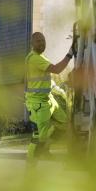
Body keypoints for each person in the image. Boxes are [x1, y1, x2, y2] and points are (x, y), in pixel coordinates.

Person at [25, 31, 74, 162]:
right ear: (32, 43)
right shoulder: (34, 58)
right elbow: (56, 69)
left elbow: (45, 80)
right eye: (38, 41)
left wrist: (59, 90)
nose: (42, 43)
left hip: (48, 99)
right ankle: (31, 164)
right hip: (38, 104)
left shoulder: (42, 57)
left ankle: (45, 148)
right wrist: (70, 54)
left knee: (64, 124)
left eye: (43, 40)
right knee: (38, 137)